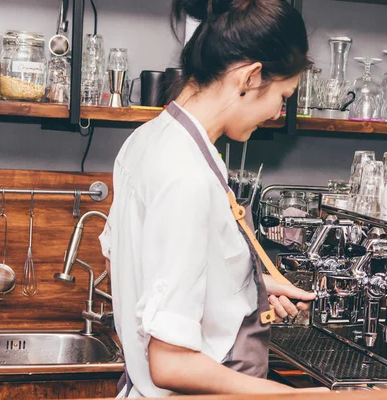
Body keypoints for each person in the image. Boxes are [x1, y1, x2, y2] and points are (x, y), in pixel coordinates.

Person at [98, 0, 327, 397]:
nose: (277, 113)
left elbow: (130, 259)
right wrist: (291, 396)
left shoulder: (149, 139)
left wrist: (237, 285)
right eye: (284, 96)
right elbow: (171, 364)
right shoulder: (188, 176)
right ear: (252, 76)